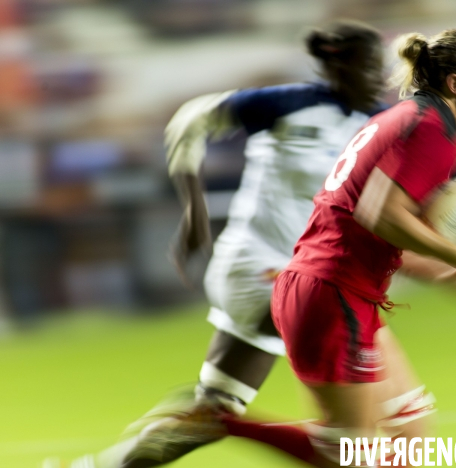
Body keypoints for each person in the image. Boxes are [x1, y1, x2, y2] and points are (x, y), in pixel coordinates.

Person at [55, 19, 389, 468]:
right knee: (356, 430)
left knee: (213, 410)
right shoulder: (288, 104)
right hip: (260, 267)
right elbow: (190, 120)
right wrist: (194, 210)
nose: (380, 76)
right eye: (370, 66)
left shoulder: (377, 127)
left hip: (302, 276)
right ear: (340, 66)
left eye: (382, 66)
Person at [178, 28, 456, 468]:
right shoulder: (432, 134)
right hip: (331, 295)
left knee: (411, 434)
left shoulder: (403, 118)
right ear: (455, 84)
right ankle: (217, 421)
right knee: (352, 458)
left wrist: (449, 272)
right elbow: (380, 215)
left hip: (336, 289)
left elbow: (372, 229)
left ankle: (217, 420)